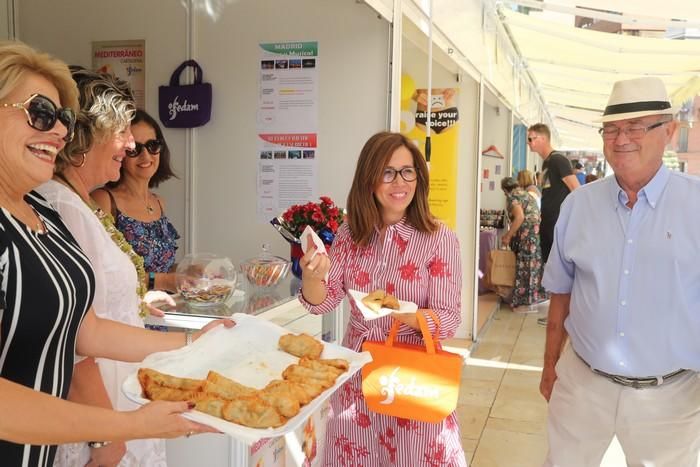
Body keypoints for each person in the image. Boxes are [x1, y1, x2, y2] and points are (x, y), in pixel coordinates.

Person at [0, 40, 230, 467]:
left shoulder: (42, 210)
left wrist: (194, 343)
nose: (59, 132)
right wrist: (128, 427)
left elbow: (84, 331)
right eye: (41, 113)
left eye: (64, 119)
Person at [539, 76, 700, 466]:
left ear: (670, 132)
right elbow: (561, 293)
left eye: (635, 127)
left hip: (671, 397)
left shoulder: (695, 205)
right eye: (611, 129)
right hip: (582, 382)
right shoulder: (579, 206)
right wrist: (549, 365)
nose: (621, 139)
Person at [298, 132, 466, 466]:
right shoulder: (351, 233)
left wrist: (399, 311)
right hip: (358, 384)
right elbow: (325, 300)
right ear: (369, 179)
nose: (399, 182)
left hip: (412, 382)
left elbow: (448, 319)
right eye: (387, 172)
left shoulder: (439, 238)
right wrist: (312, 274)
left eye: (407, 171)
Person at [36, 68, 167, 466]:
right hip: (100, 409)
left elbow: (99, 300)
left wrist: (138, 301)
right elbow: (69, 331)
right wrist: (105, 437)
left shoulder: (79, 201)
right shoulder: (59, 205)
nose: (130, 146)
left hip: (120, 396)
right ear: (88, 135)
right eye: (122, 131)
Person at [93, 109, 180, 293]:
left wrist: (187, 271)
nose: (146, 156)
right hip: (125, 316)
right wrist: (164, 281)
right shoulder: (104, 201)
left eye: (152, 145)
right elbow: (101, 274)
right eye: (134, 150)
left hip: (163, 314)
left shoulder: (158, 203)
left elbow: (161, 268)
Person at [527, 123, 579, 326]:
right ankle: (556, 313)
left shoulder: (558, 160)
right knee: (553, 268)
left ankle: (562, 315)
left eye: (531, 138)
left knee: (560, 269)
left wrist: (574, 219)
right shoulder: (547, 163)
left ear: (542, 138)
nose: (529, 143)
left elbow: (576, 189)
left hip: (558, 223)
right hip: (549, 222)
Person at [500, 177, 547, 311]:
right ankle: (532, 299)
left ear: (505, 190)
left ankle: (522, 302)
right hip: (535, 236)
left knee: (525, 267)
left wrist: (508, 236)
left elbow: (519, 217)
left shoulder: (513, 197)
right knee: (532, 267)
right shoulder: (527, 194)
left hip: (526, 237)